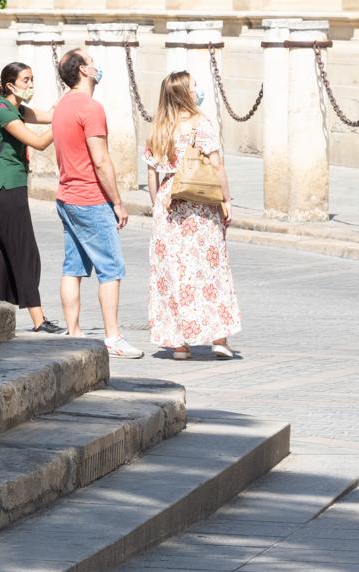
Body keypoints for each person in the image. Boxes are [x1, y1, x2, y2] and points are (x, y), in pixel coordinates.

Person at [51, 49, 144, 359]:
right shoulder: (90, 108)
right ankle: (112, 336)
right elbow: (101, 160)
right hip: (90, 198)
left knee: (73, 267)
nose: (96, 65)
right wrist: (117, 201)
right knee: (111, 269)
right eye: (91, 61)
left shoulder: (62, 105)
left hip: (66, 196)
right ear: (83, 71)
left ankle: (73, 331)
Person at [143, 72, 241, 360]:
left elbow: (151, 172)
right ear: (185, 92)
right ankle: (219, 339)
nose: (199, 90)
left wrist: (156, 205)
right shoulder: (202, 124)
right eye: (195, 86)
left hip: (169, 200)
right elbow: (217, 165)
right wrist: (226, 199)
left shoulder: (159, 127)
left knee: (172, 271)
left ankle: (179, 344)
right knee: (210, 269)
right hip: (199, 201)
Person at [0, 61, 64, 334]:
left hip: (9, 189)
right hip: (4, 190)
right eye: (26, 80)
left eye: (32, 79)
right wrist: (65, 120)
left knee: (4, 254)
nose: (30, 85)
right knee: (25, 254)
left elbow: (50, 115)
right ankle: (38, 320)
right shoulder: (5, 113)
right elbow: (39, 142)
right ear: (10, 85)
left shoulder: (18, 109)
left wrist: (71, 100)